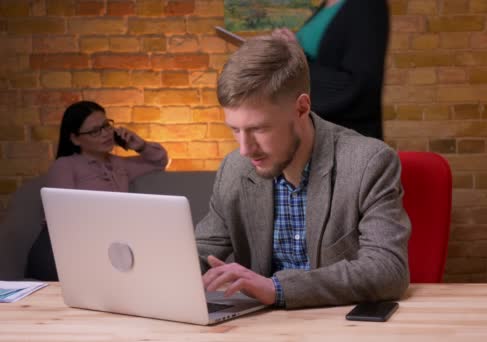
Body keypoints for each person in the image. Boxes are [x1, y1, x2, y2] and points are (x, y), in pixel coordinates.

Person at [195, 37, 410, 309]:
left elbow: (389, 270)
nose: (245, 150)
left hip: (340, 328)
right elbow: (202, 250)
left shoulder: (369, 162)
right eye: (235, 130)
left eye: (259, 129)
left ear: (301, 107)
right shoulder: (234, 169)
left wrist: (277, 288)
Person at [27, 101, 169, 280]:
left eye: (106, 126)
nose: (105, 134)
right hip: (63, 247)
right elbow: (61, 216)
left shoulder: (119, 165)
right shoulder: (65, 165)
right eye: (95, 131)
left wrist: (139, 145)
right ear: (75, 139)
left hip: (106, 244)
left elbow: (159, 161)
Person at [272, 0, 389, 140]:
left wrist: (296, 59)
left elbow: (362, 87)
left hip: (345, 142)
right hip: (314, 137)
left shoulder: (367, 5)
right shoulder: (326, 6)